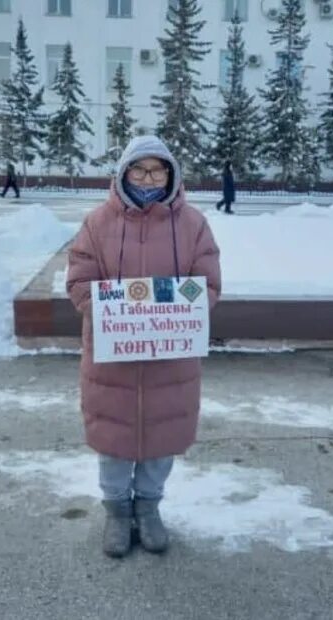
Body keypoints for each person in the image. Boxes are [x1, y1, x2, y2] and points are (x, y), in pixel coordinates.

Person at [66, 135, 221, 558]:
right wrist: (103, 310)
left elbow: (208, 283)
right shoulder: (97, 223)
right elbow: (79, 280)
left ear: (171, 175)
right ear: (124, 173)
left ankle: (149, 509)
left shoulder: (193, 224)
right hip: (111, 361)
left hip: (170, 360)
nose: (148, 178)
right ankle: (117, 512)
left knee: (161, 441)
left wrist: (181, 311)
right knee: (114, 444)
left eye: (157, 170)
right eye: (139, 169)